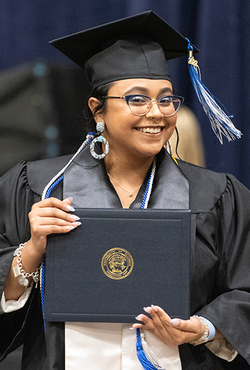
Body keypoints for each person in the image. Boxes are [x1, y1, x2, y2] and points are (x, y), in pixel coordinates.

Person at [0, 10, 250, 370]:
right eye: (137, 99)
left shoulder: (216, 196)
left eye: (166, 99)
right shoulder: (36, 188)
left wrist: (204, 328)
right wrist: (32, 250)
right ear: (98, 110)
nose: (156, 113)